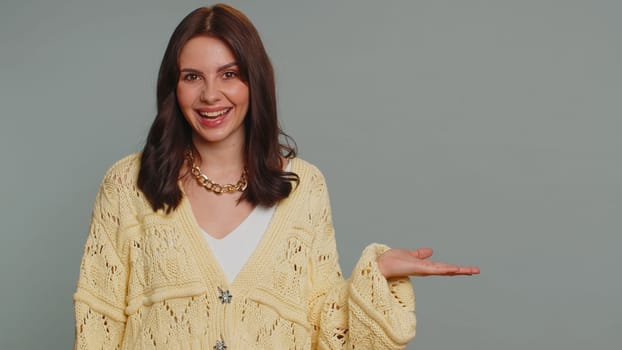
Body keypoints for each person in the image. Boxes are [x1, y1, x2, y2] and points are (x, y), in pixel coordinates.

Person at [73, 4, 479, 349]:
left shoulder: (304, 188)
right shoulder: (129, 183)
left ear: (255, 81)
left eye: (229, 74)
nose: (210, 94)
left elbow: (321, 324)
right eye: (192, 76)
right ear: (172, 87)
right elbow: (97, 320)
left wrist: (376, 275)